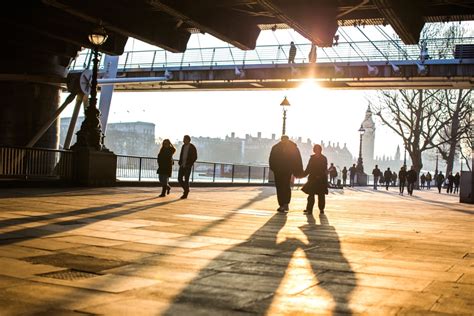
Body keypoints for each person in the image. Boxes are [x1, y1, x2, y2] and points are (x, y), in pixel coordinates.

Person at [269, 135, 303, 213]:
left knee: (281, 187)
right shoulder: (292, 148)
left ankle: (283, 204)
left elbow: (271, 159)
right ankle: (284, 204)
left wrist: (273, 168)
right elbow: (297, 160)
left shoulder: (276, 148)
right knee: (284, 186)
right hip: (285, 170)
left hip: (281, 171)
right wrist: (298, 171)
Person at [302, 144, 328, 214]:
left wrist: (319, 175)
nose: (317, 151)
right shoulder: (313, 158)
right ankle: (309, 209)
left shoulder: (323, 158)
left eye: (317, 149)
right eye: (316, 149)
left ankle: (321, 209)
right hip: (313, 178)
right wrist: (302, 174)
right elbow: (308, 168)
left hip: (320, 179)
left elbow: (324, 169)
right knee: (311, 195)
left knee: (321, 195)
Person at [178, 135, 197, 199]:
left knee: (186, 180)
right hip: (182, 165)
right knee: (179, 179)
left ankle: (185, 193)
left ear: (188, 140)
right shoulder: (183, 146)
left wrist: (190, 164)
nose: (183, 140)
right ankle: (186, 189)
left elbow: (195, 157)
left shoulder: (192, 147)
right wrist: (180, 162)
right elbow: (181, 154)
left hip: (188, 166)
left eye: (184, 139)